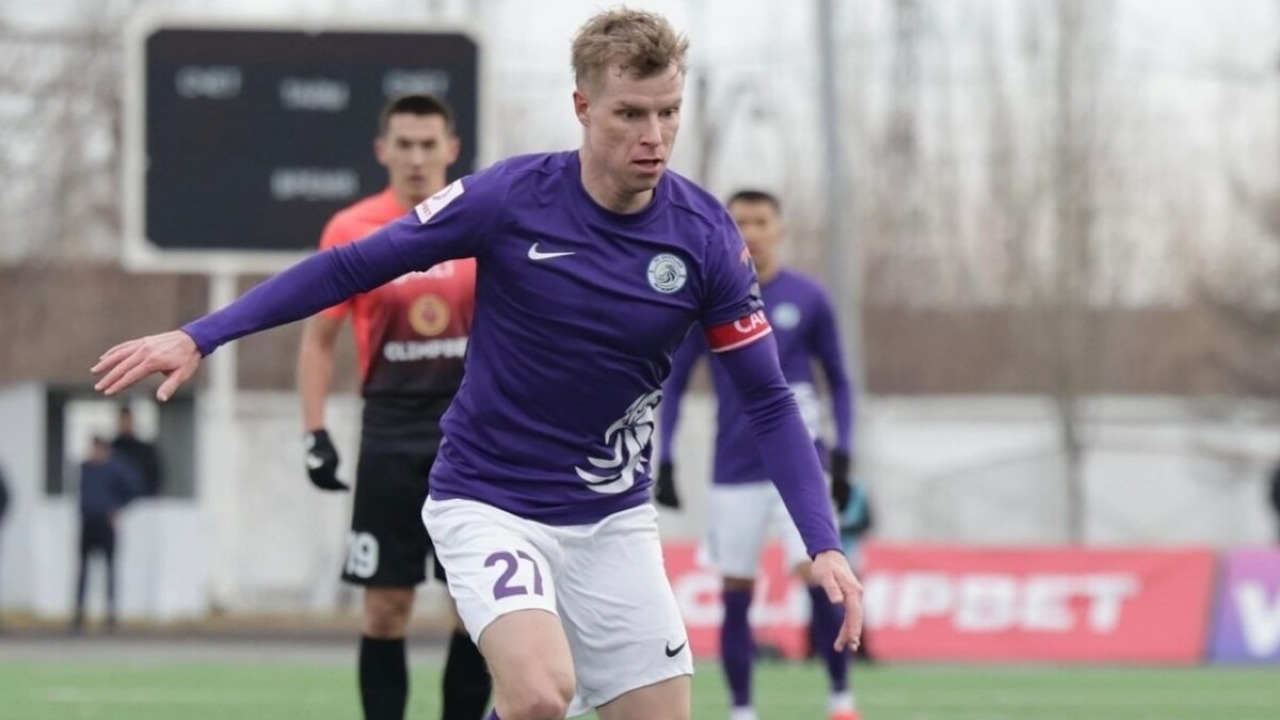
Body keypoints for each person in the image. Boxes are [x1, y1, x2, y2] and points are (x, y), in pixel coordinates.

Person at [91, 9, 863, 720]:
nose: (653, 135)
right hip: (489, 500)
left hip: (614, 520)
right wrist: (201, 335)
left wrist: (822, 540)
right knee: (541, 696)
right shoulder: (509, 198)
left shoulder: (705, 235)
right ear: (583, 107)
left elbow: (768, 400)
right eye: (630, 113)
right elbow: (349, 266)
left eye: (668, 112)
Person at [296, 93, 491, 720]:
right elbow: (318, 339)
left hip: (472, 438)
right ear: (383, 150)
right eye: (404, 144)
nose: (416, 158)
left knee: (474, 609)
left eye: (428, 144)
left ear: (451, 149)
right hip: (388, 436)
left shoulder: (479, 222)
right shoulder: (351, 229)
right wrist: (314, 431)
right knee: (385, 609)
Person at [655, 190, 860, 720]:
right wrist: (666, 457)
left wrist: (843, 454)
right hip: (734, 470)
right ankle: (742, 710)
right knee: (735, 590)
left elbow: (840, 381)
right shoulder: (712, 296)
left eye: (761, 221)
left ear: (779, 229)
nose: (751, 231)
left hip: (800, 467)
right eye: (740, 221)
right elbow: (675, 382)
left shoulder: (808, 297)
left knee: (819, 576)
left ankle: (841, 699)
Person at [72, 436, 143, 633]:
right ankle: (79, 616)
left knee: (110, 571)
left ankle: (111, 616)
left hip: (105, 524)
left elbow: (134, 488)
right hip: (88, 523)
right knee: (83, 571)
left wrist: (117, 508)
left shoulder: (115, 470)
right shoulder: (86, 468)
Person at [111, 405, 163, 496]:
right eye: (123, 420)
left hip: (140, 498)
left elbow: (154, 475)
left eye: (127, 420)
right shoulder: (111, 449)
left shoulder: (144, 450)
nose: (125, 424)